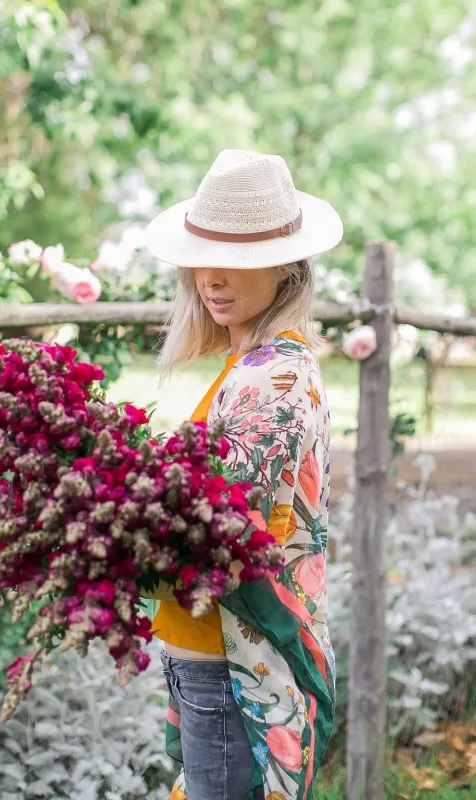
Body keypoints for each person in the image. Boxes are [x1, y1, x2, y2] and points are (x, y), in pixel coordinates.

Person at [144, 149, 342, 800]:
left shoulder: (273, 375)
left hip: (230, 657)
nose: (213, 277)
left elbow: (219, 532)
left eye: (240, 259)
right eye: (204, 254)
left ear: (286, 265)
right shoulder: (249, 364)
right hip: (204, 648)